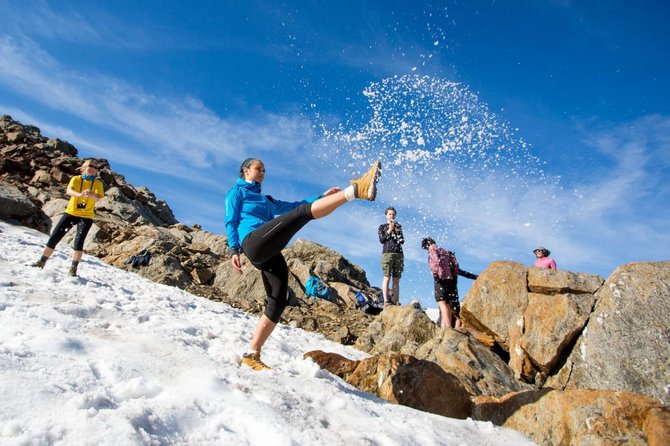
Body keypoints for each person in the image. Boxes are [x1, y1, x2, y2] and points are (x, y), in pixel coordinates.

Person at [226, 158, 381, 370]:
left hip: (270, 250)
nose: (262, 172)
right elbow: (231, 221)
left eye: (264, 169)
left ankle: (251, 354)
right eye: (258, 168)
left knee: (278, 300)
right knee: (301, 216)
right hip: (253, 241)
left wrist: (321, 196)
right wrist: (233, 249)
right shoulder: (237, 193)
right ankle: (355, 190)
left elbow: (295, 205)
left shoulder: (266, 200)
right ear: (245, 171)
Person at [31, 159, 105, 276]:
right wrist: (80, 195)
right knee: (55, 237)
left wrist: (91, 194)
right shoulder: (76, 179)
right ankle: (41, 261)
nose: (93, 168)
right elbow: (69, 191)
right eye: (90, 165)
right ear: (84, 167)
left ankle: (73, 269)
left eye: (96, 167)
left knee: (79, 242)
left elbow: (98, 198)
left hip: (86, 216)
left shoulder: (97, 183)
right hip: (71, 213)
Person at [421, 237, 478, 329]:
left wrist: (436, 274)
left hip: (440, 280)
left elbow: (435, 262)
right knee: (451, 308)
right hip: (451, 281)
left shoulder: (432, 248)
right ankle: (453, 329)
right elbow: (457, 269)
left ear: (427, 244)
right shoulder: (446, 252)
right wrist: (474, 276)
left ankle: (448, 328)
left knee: (442, 303)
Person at [378, 206, 404, 305]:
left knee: (396, 279)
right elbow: (382, 240)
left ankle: (395, 301)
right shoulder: (382, 227)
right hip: (387, 253)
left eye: (393, 214)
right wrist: (389, 230)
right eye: (390, 214)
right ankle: (386, 301)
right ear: (386, 216)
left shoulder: (399, 226)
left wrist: (397, 231)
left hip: (399, 254)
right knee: (387, 277)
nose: (391, 216)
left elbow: (402, 241)